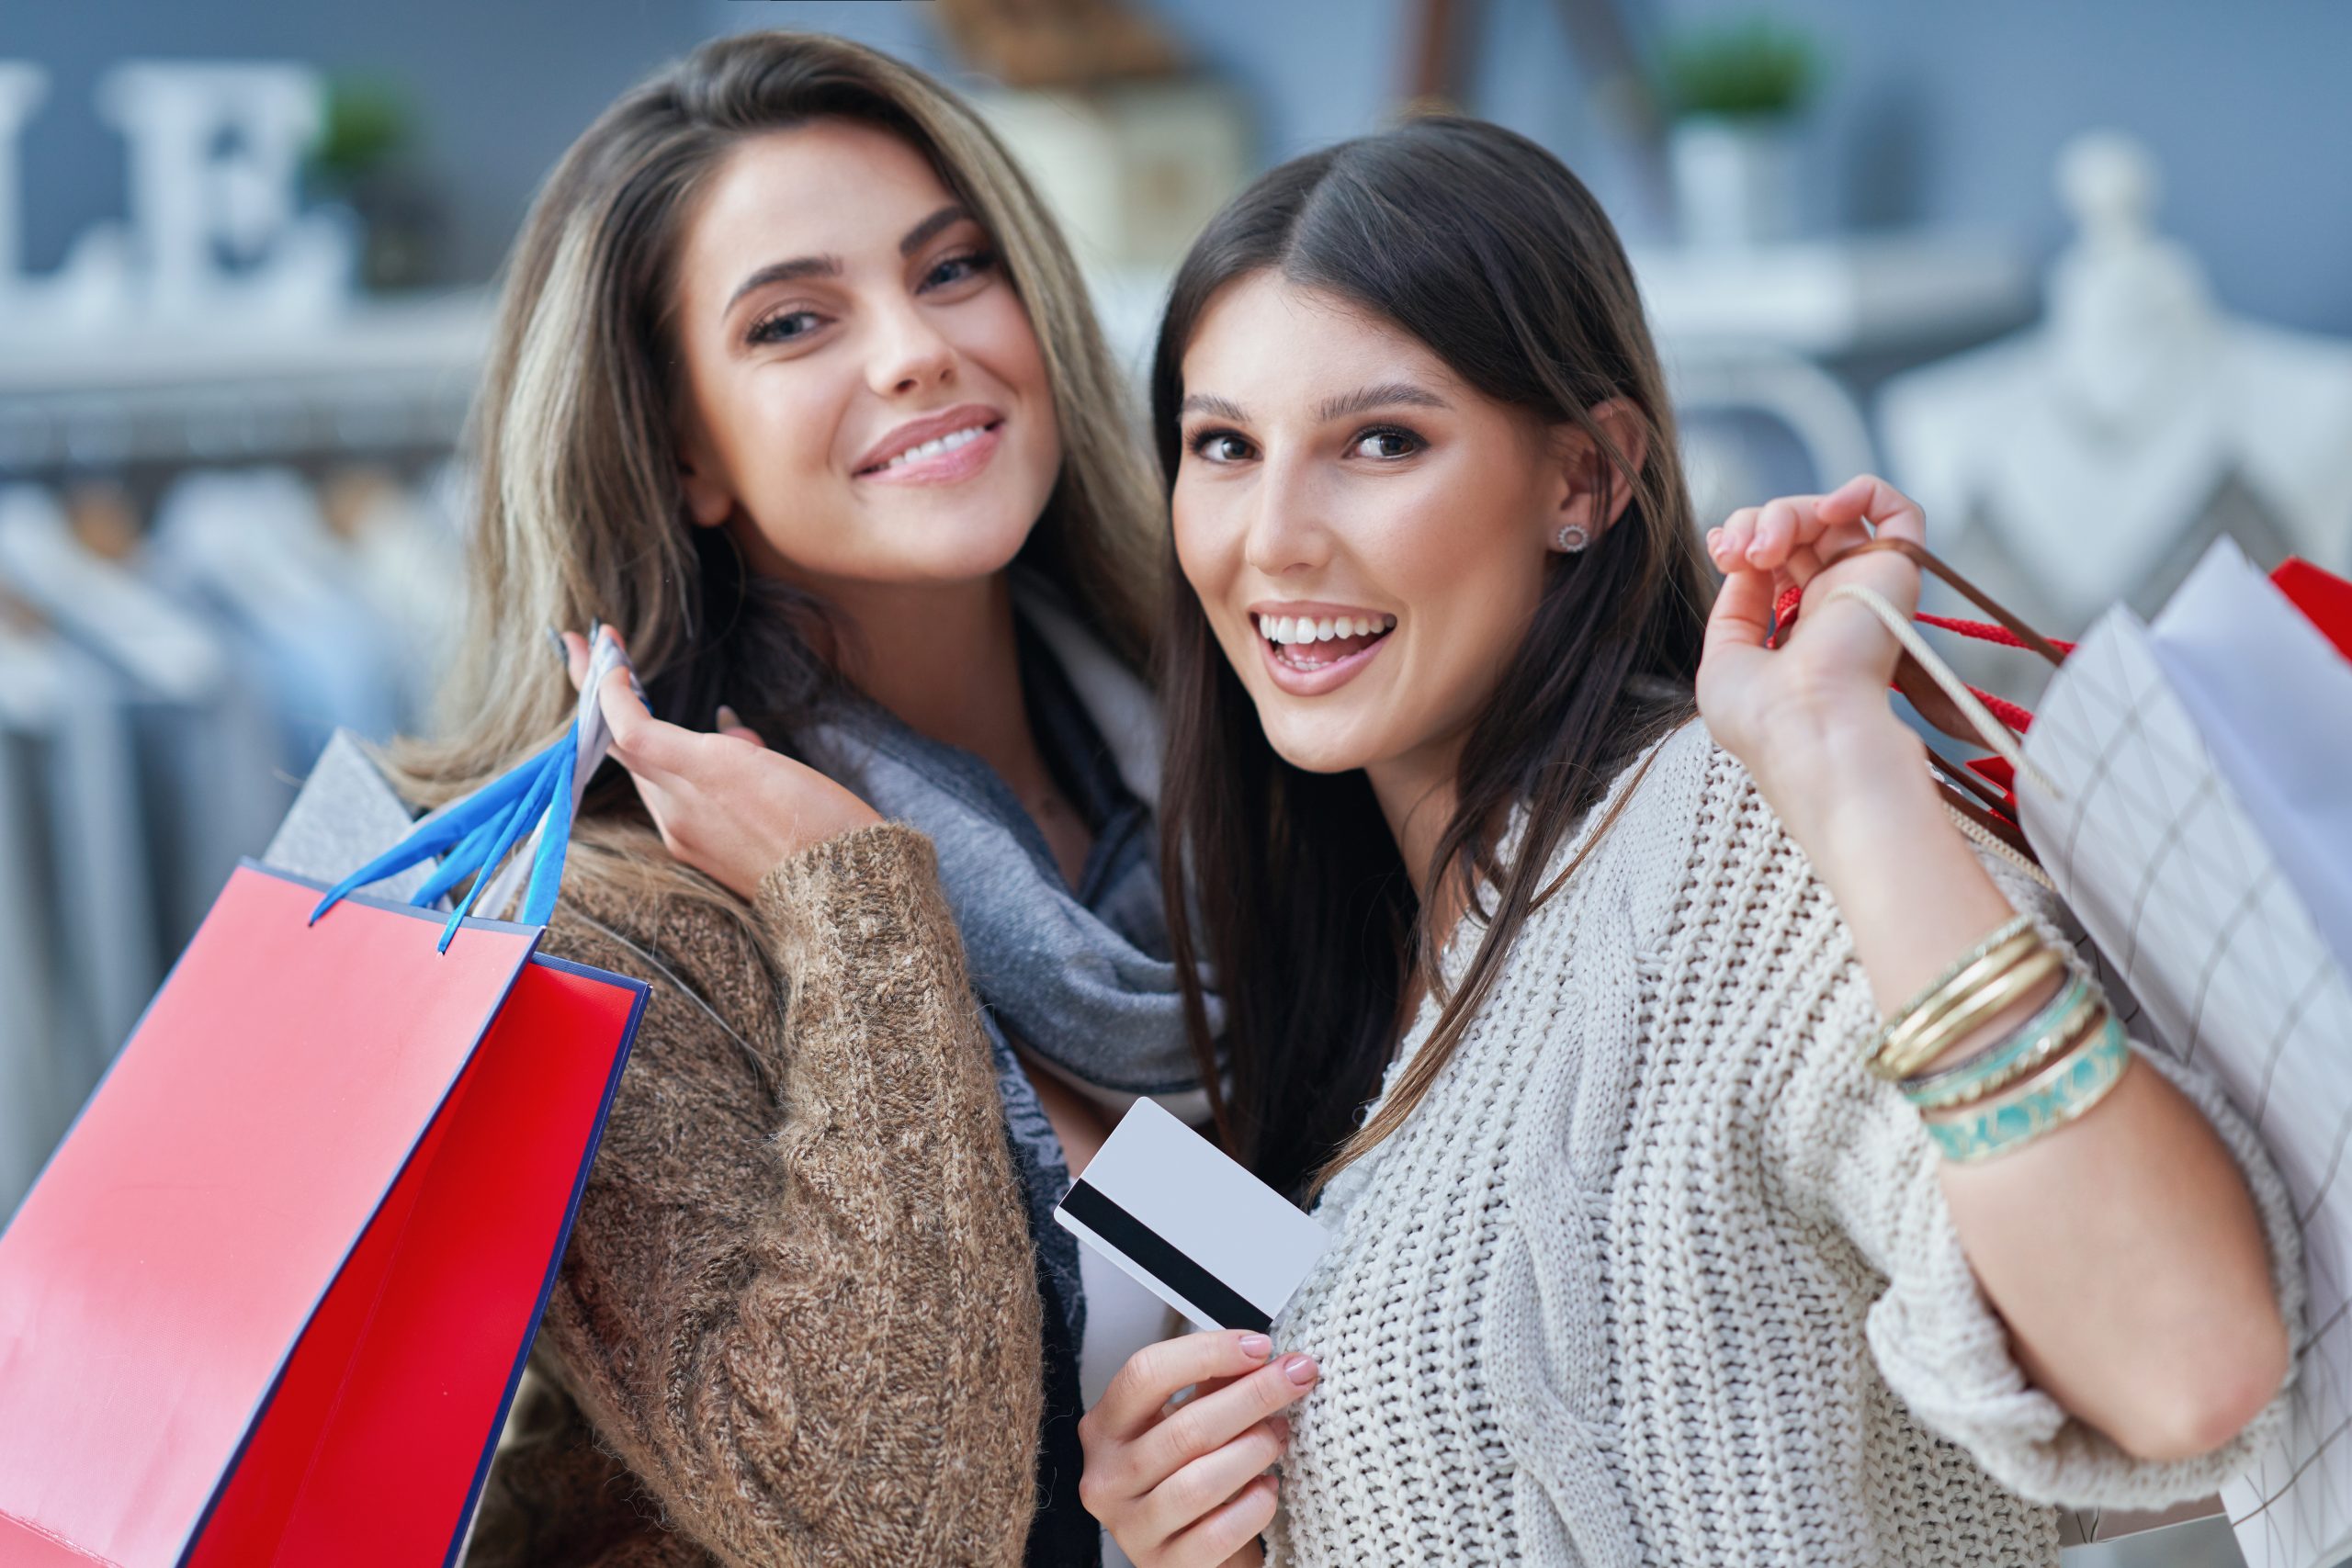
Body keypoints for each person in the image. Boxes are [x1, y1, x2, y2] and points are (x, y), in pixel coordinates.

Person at [1078, 115, 2300, 1567]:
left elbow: (2185, 1361)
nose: (1270, 536)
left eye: (1380, 440)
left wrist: (1837, 762)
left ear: (1586, 480)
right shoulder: (1342, 973)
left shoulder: (1729, 846)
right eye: (1223, 446)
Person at [398, 29, 1194, 1567]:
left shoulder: (1238, 773)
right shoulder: (602, 935)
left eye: (955, 269)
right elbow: (873, 1524)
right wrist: (855, 912)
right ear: (685, 448)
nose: (913, 350)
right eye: (792, 322)